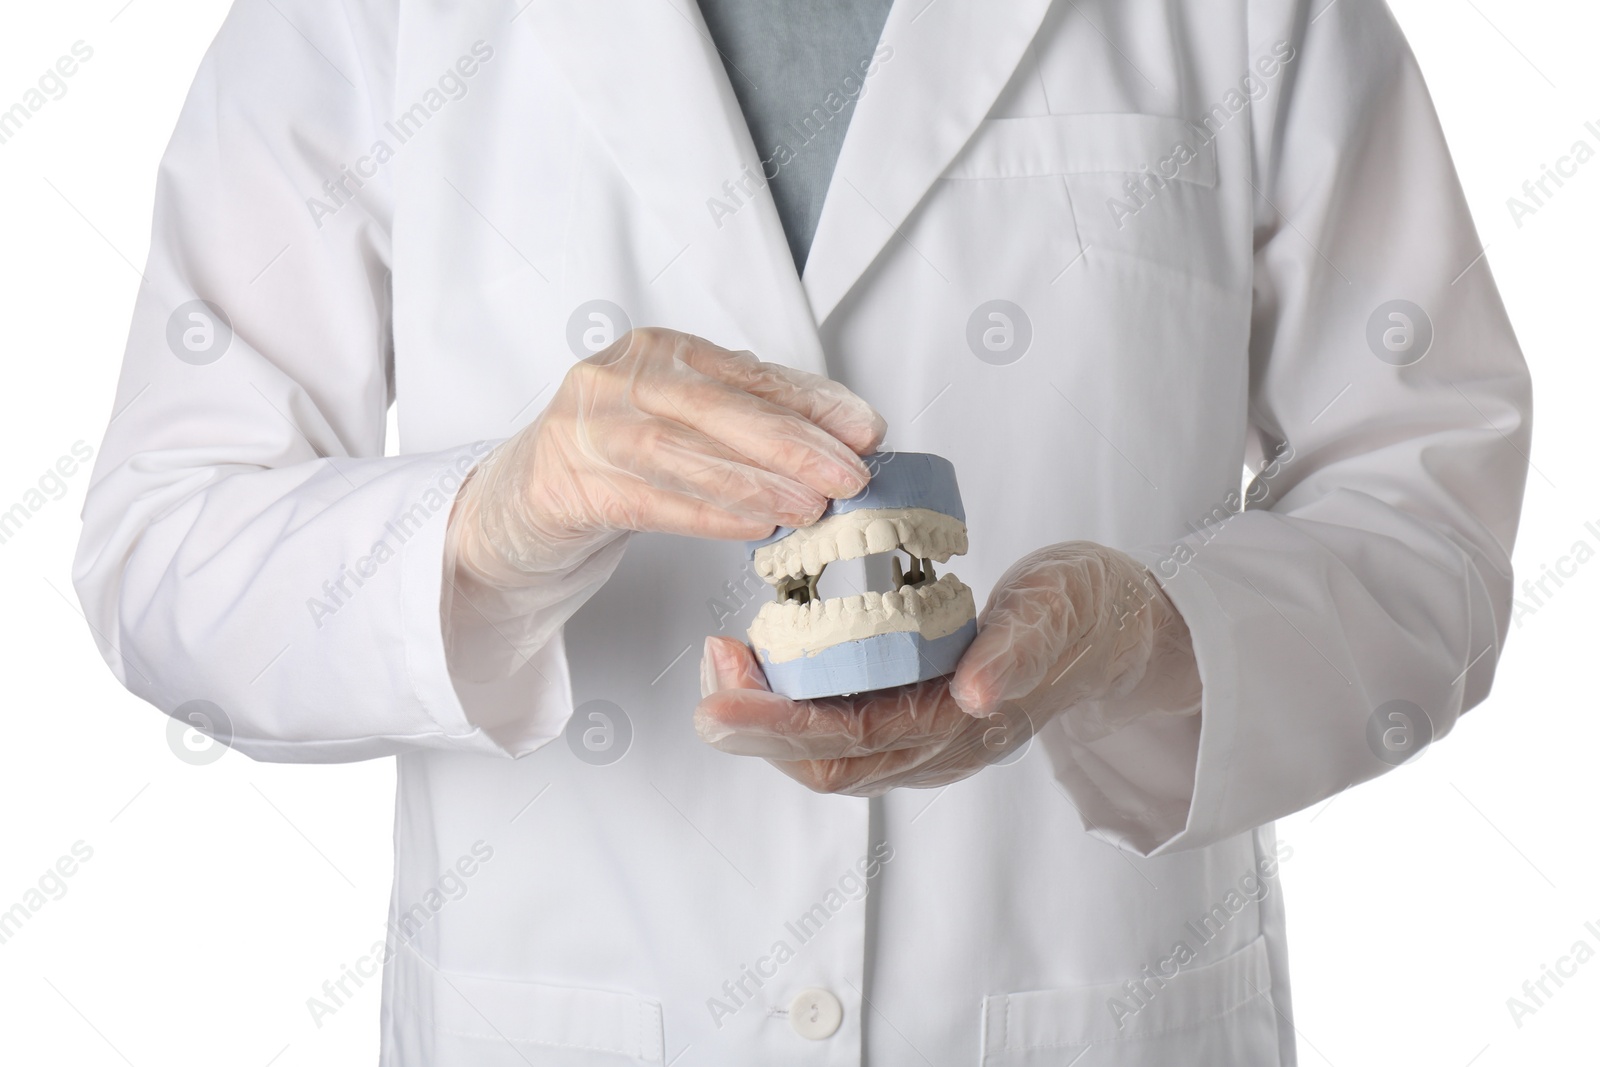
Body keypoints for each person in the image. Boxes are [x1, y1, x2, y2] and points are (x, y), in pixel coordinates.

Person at [74, 0, 1531, 1063]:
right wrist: (484, 530)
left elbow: (1428, 516)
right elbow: (165, 550)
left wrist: (1148, 642)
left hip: (1091, 1014)